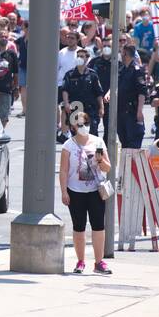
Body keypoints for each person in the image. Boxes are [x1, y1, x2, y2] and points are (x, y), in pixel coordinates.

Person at [60, 111, 113, 275]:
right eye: (81, 125)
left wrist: (99, 160)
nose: (84, 128)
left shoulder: (98, 142)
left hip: (95, 190)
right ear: (74, 127)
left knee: (98, 226)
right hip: (75, 191)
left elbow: (108, 167)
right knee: (79, 226)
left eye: (86, 123)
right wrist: (64, 192)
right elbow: (63, 170)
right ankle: (80, 261)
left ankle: (99, 262)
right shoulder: (68, 145)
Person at [61, 46, 106, 138]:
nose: (79, 58)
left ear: (87, 59)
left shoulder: (92, 75)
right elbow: (65, 90)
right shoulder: (70, 74)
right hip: (76, 109)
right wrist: (66, 103)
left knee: (92, 133)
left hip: (90, 109)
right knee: (77, 135)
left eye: (82, 56)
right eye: (78, 56)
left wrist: (101, 107)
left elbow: (98, 93)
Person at [116, 42, 150, 150]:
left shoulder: (137, 70)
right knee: (124, 143)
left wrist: (139, 111)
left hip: (132, 112)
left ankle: (133, 167)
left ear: (125, 53)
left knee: (134, 143)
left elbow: (142, 92)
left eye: (121, 52)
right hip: (121, 112)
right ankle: (127, 167)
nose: (120, 54)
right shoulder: (121, 71)